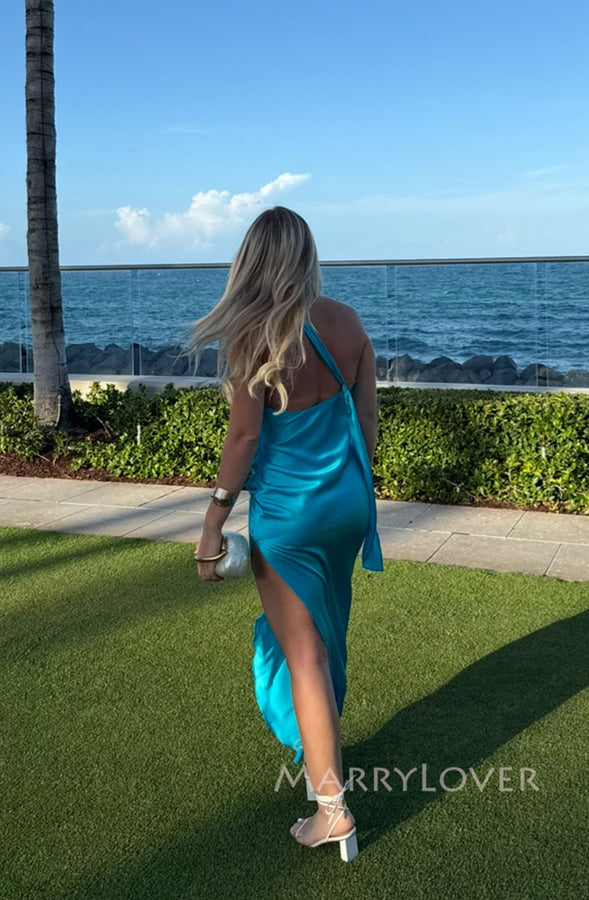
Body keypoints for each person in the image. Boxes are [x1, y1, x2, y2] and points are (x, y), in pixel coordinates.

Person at [185, 206, 383, 862]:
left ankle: (332, 811)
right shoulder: (348, 322)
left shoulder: (255, 338)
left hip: (290, 518)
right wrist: (347, 491)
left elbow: (244, 439)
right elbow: (366, 426)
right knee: (325, 635)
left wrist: (213, 523)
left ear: (253, 261)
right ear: (306, 255)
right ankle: (320, 748)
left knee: (305, 656)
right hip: (348, 505)